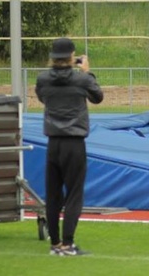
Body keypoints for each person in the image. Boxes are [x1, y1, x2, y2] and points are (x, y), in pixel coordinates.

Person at [35, 37, 104, 256]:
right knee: (74, 194)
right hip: (74, 142)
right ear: (72, 57)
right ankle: (68, 243)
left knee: (53, 195)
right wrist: (87, 73)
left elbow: (43, 98)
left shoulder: (43, 79)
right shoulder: (81, 80)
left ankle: (55, 244)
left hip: (53, 142)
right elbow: (98, 97)